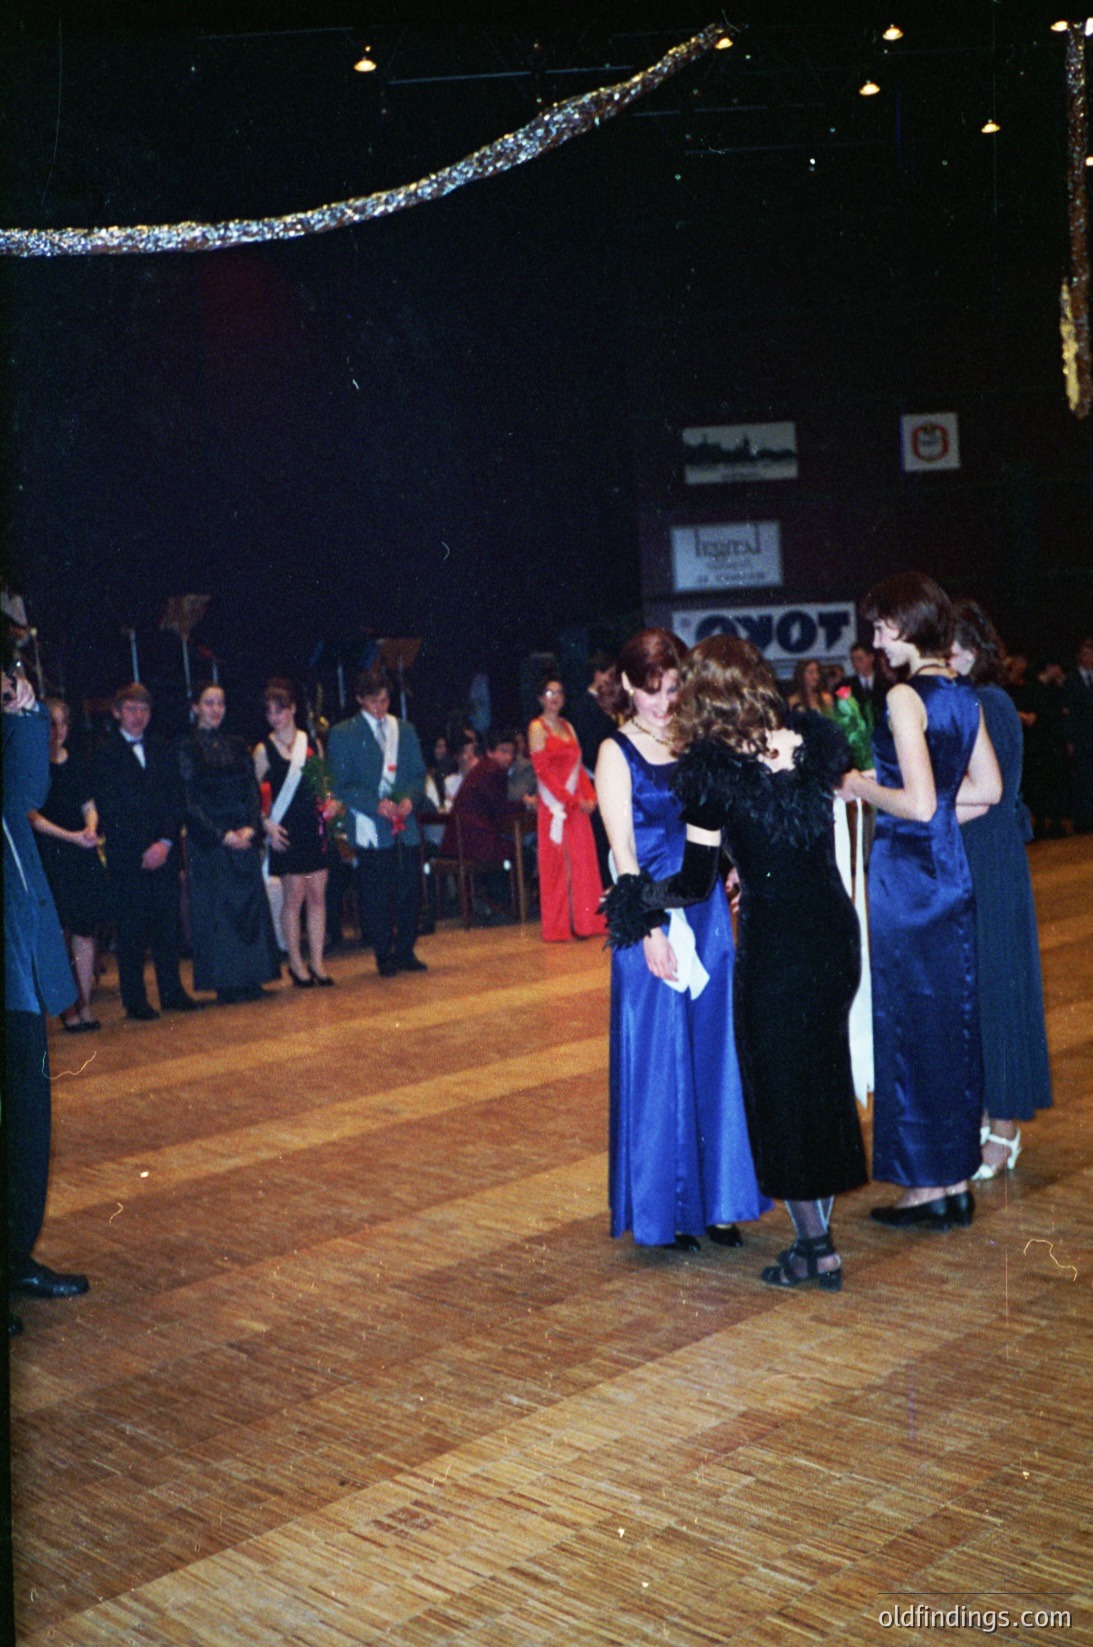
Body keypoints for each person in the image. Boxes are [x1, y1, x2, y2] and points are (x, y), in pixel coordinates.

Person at [604, 634, 867, 1290]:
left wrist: (639, 897)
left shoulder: (712, 774)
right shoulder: (806, 743)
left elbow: (694, 882)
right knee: (823, 1080)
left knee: (780, 1091)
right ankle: (819, 1235)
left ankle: (815, 1248)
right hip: (834, 932)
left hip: (777, 943)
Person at [595, 630, 770, 1250]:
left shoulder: (695, 741)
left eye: (672, 688)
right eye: (651, 690)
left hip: (707, 917)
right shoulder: (615, 753)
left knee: (715, 1051)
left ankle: (719, 1201)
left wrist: (729, 864)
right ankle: (666, 1209)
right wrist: (645, 931)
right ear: (626, 687)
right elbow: (621, 854)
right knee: (659, 1059)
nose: (663, 702)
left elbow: (710, 824)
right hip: (650, 918)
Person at [842, 572, 1002, 1231]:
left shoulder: (905, 696)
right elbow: (986, 791)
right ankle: (952, 1178)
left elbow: (914, 799)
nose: (876, 639)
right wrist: (930, 820)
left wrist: (857, 783)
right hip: (946, 874)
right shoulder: (962, 695)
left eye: (882, 627)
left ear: (907, 626)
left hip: (906, 879)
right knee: (948, 1026)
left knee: (909, 1027)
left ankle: (923, 1187)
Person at [3, 649, 89, 1333]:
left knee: (29, 1120)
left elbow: (25, 790)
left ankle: (15, 1256)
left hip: (17, 960)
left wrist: (25, 714)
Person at [950, 602, 1052, 1176]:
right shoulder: (982, 701)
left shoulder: (985, 702)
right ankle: (991, 1120)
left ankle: (1004, 1130)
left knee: (998, 991)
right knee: (983, 992)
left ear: (969, 650)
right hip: (981, 856)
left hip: (987, 857)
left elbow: (985, 793)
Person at [92, 682, 198, 1021]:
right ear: (117, 712)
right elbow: (110, 807)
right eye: (132, 709)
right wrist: (143, 848)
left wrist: (165, 843)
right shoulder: (105, 752)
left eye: (144, 710)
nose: (139, 716)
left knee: (167, 925)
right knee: (132, 930)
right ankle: (135, 999)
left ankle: (171, 991)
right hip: (129, 856)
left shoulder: (163, 749)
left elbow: (175, 799)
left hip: (162, 852)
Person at [179, 682, 281, 1004]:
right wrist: (221, 834)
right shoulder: (187, 746)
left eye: (220, 703)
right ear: (195, 707)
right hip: (211, 840)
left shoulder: (238, 744)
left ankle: (253, 977)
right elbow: (188, 799)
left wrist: (251, 827)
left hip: (243, 833)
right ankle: (227, 982)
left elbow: (252, 789)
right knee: (218, 912)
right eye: (209, 703)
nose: (216, 709)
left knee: (249, 908)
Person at [327, 666, 428, 977]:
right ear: (359, 699)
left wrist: (410, 798)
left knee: (410, 888)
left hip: (405, 824)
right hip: (372, 825)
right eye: (373, 702)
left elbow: (417, 775)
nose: (380, 708)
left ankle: (407, 949)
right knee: (376, 892)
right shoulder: (343, 733)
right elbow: (341, 785)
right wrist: (375, 804)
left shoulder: (405, 730)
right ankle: (383, 953)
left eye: (385, 700)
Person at [28, 697, 107, 1030]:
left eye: (61, 723)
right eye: (50, 723)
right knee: (57, 933)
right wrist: (73, 836)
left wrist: (90, 827)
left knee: (85, 931)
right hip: (50, 853)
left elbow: (88, 803)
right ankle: (67, 1010)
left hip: (79, 852)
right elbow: (31, 817)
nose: (56, 731)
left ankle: (85, 1005)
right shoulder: (29, 764)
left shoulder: (77, 762)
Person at [254, 678, 337, 988]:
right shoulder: (263, 750)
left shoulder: (311, 743)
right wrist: (266, 825)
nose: (276, 718)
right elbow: (252, 796)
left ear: (293, 709)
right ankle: (296, 962)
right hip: (285, 831)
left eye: (281, 711)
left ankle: (317, 961)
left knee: (318, 896)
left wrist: (330, 804)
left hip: (313, 829)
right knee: (294, 898)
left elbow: (322, 784)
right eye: (270, 713)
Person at [529, 677, 606, 942]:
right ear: (540, 697)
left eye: (559, 692)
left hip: (576, 807)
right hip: (555, 808)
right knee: (558, 867)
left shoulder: (568, 727)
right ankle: (560, 926)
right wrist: (570, 800)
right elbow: (544, 773)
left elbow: (579, 768)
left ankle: (586, 922)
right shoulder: (537, 728)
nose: (555, 697)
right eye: (549, 692)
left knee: (583, 862)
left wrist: (590, 796)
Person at [567, 655, 617, 887]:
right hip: (594, 780)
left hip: (609, 778)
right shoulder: (582, 706)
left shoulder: (611, 703)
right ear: (597, 674)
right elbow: (585, 748)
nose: (611, 679)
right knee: (600, 841)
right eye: (608, 674)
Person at [1062, 636, 1093, 831]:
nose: (1089, 658)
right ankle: (1082, 820)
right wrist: (1069, 739)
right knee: (1082, 778)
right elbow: (1069, 713)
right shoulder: (1072, 680)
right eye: (1085, 654)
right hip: (1081, 737)